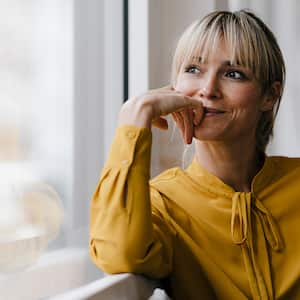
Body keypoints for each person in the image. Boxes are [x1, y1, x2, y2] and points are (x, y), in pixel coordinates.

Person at [89, 10, 300, 300]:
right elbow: (118, 254)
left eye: (233, 74)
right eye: (193, 69)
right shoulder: (164, 204)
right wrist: (134, 118)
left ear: (270, 96)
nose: (208, 90)